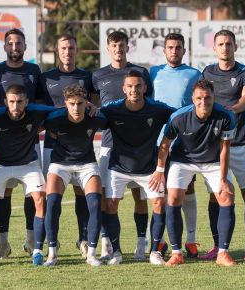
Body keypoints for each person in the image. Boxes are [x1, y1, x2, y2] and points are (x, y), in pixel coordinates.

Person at [156, 79, 237, 266]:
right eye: (199, 98)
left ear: (213, 97)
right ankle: (176, 253)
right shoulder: (178, 117)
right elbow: (165, 145)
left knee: (226, 196)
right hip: (182, 161)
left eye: (207, 97)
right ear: (192, 99)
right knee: (174, 198)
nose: (203, 102)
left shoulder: (226, 116)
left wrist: (224, 179)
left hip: (213, 161)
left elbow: (225, 149)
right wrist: (160, 170)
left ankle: (223, 253)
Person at [100, 70, 174, 265]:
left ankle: (154, 252)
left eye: (138, 86)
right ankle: (116, 252)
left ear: (145, 88)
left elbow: (180, 118)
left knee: (159, 204)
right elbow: (91, 116)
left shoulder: (158, 109)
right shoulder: (111, 109)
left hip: (149, 168)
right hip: (118, 167)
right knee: (110, 205)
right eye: (130, 86)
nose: (134, 90)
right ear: (124, 89)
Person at [92, 31, 154, 260]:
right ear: (108, 48)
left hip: (140, 148)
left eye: (122, 45)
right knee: (108, 199)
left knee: (140, 197)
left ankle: (141, 242)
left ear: (128, 47)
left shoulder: (140, 74)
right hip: (109, 146)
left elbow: (150, 108)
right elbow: (93, 109)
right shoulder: (98, 76)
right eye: (114, 45)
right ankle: (108, 244)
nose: (118, 49)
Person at [0, 84, 56, 266]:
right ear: (5, 102)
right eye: (12, 102)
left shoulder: (36, 112)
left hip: (28, 164)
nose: (16, 106)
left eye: (20, 101)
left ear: (27, 102)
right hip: (0, 164)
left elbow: (61, 110)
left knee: (40, 201)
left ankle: (37, 250)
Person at [200, 30, 245, 262]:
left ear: (235, 46)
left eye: (228, 44)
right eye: (220, 44)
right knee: (217, 195)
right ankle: (217, 246)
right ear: (214, 48)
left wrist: (226, 113)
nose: (225, 48)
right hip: (215, 145)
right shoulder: (207, 72)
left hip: (242, 142)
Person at [37, 34, 94, 257]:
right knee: (51, 196)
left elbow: (93, 108)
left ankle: (82, 238)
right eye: (63, 48)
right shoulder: (46, 78)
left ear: (76, 50)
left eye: (71, 48)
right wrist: (45, 126)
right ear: (57, 51)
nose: (67, 52)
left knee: (82, 193)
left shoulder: (86, 77)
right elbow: (38, 108)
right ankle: (52, 241)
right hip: (53, 145)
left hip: (80, 146)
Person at [0, 28, 42, 259]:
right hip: (4, 143)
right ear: (5, 47)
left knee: (32, 194)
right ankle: (3, 244)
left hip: (29, 142)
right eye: (10, 43)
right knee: (4, 193)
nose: (14, 47)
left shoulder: (34, 71)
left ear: (24, 47)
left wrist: (33, 129)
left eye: (18, 43)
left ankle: (31, 240)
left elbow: (40, 104)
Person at [149, 33, 201, 258]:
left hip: (185, 141)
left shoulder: (194, 74)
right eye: (170, 47)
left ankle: (190, 240)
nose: (174, 51)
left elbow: (198, 105)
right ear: (164, 50)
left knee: (186, 189)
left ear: (184, 50)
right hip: (159, 141)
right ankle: (158, 241)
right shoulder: (153, 73)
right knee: (158, 191)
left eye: (178, 47)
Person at [43, 85, 106, 267]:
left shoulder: (96, 118)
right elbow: (42, 124)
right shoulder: (54, 119)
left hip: (87, 164)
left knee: (95, 204)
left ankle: (92, 254)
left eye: (80, 103)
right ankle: (52, 254)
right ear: (65, 104)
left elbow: (111, 121)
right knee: (52, 203)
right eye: (72, 104)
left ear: (86, 103)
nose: (76, 108)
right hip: (60, 165)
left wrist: (97, 109)